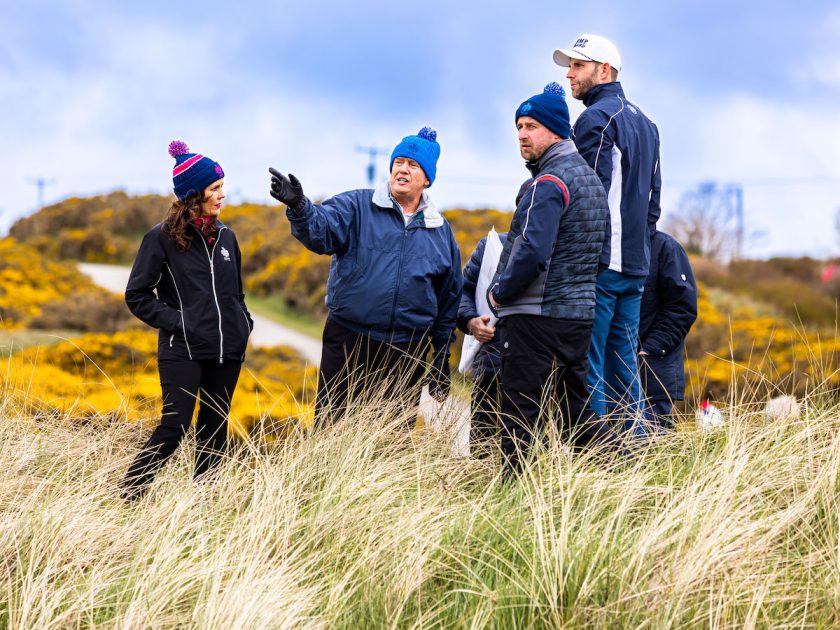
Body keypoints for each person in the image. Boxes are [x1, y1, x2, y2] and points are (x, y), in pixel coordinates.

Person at [268, 127, 462, 426]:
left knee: (391, 438)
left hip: (406, 351)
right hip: (349, 340)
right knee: (331, 429)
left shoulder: (440, 231)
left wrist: (440, 357)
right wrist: (300, 208)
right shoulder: (358, 206)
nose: (403, 170)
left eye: (413, 165)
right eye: (399, 162)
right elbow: (322, 230)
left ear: (427, 179)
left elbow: (448, 297)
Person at [488, 83, 629, 472]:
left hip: (534, 316)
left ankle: (512, 494)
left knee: (520, 413)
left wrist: (500, 292)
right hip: (577, 316)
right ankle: (627, 469)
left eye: (531, 126)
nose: (521, 135)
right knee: (575, 415)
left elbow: (531, 250)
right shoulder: (589, 181)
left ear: (555, 130)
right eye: (518, 126)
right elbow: (602, 250)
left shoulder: (548, 183)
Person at [121, 141, 253, 501]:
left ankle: (201, 508)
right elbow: (137, 295)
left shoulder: (227, 237)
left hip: (226, 351)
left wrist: (243, 324)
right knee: (175, 427)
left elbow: (236, 295)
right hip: (183, 349)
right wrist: (181, 322)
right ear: (194, 194)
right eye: (215, 188)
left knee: (214, 431)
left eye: (221, 186)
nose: (222, 194)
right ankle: (130, 494)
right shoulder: (159, 239)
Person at [554, 34, 662, 429]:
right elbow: (654, 207)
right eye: (569, 66)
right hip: (633, 267)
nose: (569, 74)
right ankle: (634, 449)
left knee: (591, 364)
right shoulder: (648, 125)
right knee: (624, 365)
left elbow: (585, 197)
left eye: (578, 66)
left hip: (599, 265)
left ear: (605, 70)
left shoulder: (595, 119)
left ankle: (598, 457)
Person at [638, 229, 697, 429]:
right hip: (614, 374)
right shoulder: (609, 247)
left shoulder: (665, 247)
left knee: (652, 449)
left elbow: (683, 308)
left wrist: (651, 348)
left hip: (654, 373)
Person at [457, 232, 507, 457]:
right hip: (490, 367)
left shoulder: (564, 248)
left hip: (540, 372)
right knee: (482, 451)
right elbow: (462, 291)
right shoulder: (492, 245)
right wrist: (470, 320)